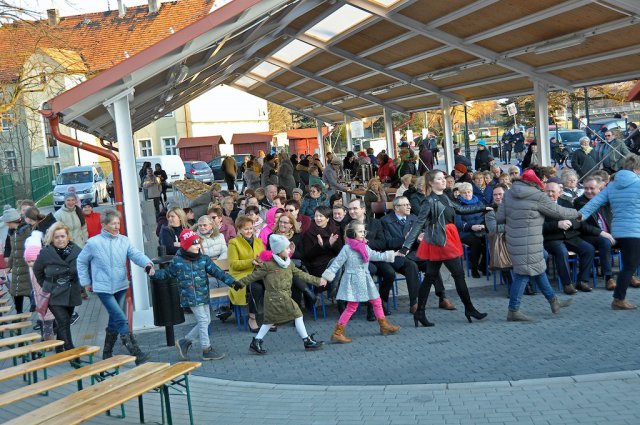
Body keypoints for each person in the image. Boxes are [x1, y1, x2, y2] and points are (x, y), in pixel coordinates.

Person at [400, 170, 488, 326]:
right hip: (440, 239)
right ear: (431, 183)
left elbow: (460, 209)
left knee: (430, 277)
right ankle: (469, 309)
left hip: (447, 237)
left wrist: (484, 208)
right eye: (439, 179)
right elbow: (419, 223)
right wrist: (406, 246)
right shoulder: (429, 201)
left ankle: (420, 312)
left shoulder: (445, 196)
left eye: (443, 178)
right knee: (458, 275)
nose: (443, 181)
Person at [496, 167, 578, 321]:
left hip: (515, 240)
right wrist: (578, 213)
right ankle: (513, 310)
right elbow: (559, 212)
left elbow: (500, 217)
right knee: (522, 275)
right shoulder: (538, 196)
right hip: (531, 241)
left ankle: (554, 302)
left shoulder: (508, 194)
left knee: (538, 270)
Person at [77, 209, 154, 364]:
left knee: (114, 319)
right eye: (113, 223)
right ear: (104, 224)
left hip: (121, 285)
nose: (117, 226)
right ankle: (136, 353)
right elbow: (81, 261)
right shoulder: (93, 242)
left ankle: (107, 353)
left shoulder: (124, 240)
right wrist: (86, 282)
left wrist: (147, 264)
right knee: (121, 318)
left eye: (118, 223)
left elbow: (135, 254)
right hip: (102, 287)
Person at [152, 229, 236, 361]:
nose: (198, 246)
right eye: (194, 244)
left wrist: (232, 282)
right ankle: (206, 349)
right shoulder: (178, 261)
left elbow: (217, 272)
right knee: (203, 321)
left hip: (202, 294)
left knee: (206, 320)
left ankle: (185, 341)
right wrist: (153, 273)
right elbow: (167, 274)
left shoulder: (203, 259)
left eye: (198, 243)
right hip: (190, 296)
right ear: (186, 246)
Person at [233, 234, 326, 354]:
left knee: (270, 321)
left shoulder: (288, 263)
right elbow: (253, 276)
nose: (289, 250)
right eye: (286, 248)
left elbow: (301, 274)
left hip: (284, 296)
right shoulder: (268, 265)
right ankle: (306, 341)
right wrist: (239, 284)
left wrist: (318, 281)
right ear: (279, 251)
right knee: (296, 315)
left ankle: (256, 342)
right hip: (274, 298)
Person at [579, 154, 640, 310]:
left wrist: (579, 216)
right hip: (634, 231)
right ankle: (618, 299)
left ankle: (618, 298)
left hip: (619, 230)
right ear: (637, 169)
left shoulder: (612, 185)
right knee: (629, 267)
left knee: (629, 265)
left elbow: (595, 203)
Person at [324, 221, 401, 343]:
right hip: (353, 280)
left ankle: (384, 326)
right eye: (360, 231)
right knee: (352, 307)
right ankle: (337, 332)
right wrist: (326, 277)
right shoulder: (347, 248)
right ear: (352, 233)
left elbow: (376, 255)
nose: (363, 234)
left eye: (363, 231)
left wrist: (392, 254)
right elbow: (336, 263)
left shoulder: (364, 246)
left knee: (376, 301)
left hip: (365, 279)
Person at [382, 196, 455, 314]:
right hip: (396, 255)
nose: (409, 207)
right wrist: (404, 239)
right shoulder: (385, 221)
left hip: (413, 253)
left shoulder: (414, 218)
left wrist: (421, 238)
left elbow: (422, 233)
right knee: (412, 266)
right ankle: (414, 303)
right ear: (396, 207)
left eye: (409, 204)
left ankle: (442, 298)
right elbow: (386, 243)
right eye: (405, 205)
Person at [32, 223, 83, 356]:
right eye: (57, 237)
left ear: (68, 237)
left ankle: (59, 348)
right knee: (64, 320)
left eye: (62, 236)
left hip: (71, 292)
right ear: (52, 239)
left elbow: (84, 268)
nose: (60, 239)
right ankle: (71, 352)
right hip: (54, 294)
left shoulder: (77, 250)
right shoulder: (46, 253)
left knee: (63, 322)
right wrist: (47, 285)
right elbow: (37, 271)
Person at [542, 180, 598, 294]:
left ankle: (582, 281)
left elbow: (578, 220)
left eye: (553, 191)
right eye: (548, 191)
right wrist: (557, 225)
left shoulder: (566, 203)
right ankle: (567, 284)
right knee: (562, 252)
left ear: (559, 192)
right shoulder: (540, 206)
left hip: (571, 236)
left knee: (588, 249)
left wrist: (572, 223)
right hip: (552, 238)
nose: (550, 194)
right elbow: (538, 226)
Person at [228, 216, 266, 332]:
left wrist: (261, 261)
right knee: (256, 287)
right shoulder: (233, 243)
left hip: (259, 273)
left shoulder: (259, 241)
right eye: (246, 229)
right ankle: (252, 318)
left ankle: (268, 317)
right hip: (241, 275)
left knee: (271, 284)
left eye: (251, 228)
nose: (249, 231)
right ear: (239, 229)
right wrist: (251, 262)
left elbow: (264, 257)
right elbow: (233, 264)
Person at [455, 182, 488, 278]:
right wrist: (471, 227)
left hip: (480, 230)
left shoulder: (479, 202)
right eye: (464, 193)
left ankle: (483, 266)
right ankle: (474, 269)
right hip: (465, 232)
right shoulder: (458, 205)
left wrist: (482, 225)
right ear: (460, 194)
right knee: (476, 243)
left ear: (472, 192)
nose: (467, 194)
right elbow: (458, 223)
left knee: (489, 241)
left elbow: (485, 216)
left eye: (469, 192)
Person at [4, 206, 32, 313]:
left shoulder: (26, 230)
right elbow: (14, 251)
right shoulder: (12, 232)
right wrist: (9, 266)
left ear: (11, 220)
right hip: (16, 268)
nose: (6, 224)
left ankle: (38, 315)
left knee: (30, 291)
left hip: (27, 266)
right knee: (16, 292)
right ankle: (19, 314)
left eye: (7, 222)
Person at [302, 205, 343, 279]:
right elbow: (307, 255)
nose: (318, 218)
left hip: (332, 260)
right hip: (316, 263)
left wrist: (332, 244)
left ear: (327, 219)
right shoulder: (309, 231)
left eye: (321, 216)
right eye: (316, 216)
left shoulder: (335, 230)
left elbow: (340, 251)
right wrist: (319, 246)